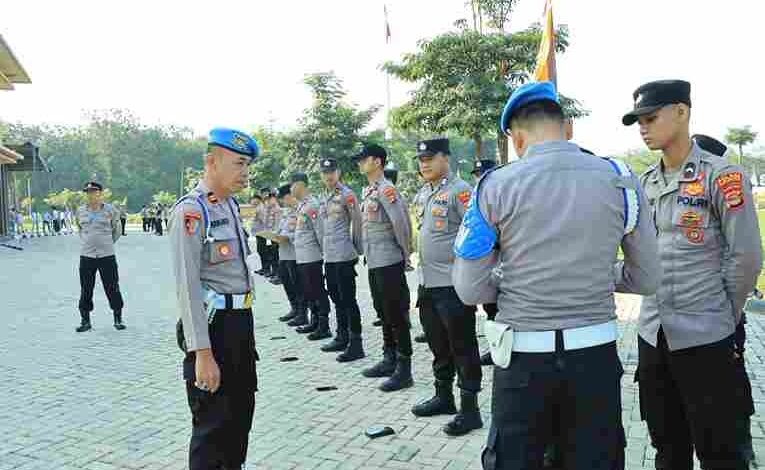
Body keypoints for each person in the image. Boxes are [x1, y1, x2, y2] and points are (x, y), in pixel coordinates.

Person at [454, 81, 659, 469]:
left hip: (523, 361)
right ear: (568, 128)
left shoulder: (493, 186)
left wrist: (516, 278)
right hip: (595, 358)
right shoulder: (620, 179)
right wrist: (595, 274)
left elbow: (469, 288)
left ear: (516, 138)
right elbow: (647, 277)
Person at [623, 80, 762, 470]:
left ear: (682, 112)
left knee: (720, 451)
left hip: (706, 336)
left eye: (651, 118)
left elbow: (746, 257)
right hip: (654, 335)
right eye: (639, 122)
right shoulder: (645, 183)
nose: (643, 128)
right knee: (667, 449)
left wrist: (723, 314)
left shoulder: (721, 176)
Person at [170, 128, 259, 470]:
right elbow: (187, 287)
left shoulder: (230, 206)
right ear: (211, 161)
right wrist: (201, 354)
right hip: (212, 330)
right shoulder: (192, 212)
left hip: (240, 326)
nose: (245, 172)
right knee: (211, 429)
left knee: (240, 420)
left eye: (247, 165)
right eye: (238, 163)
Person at [691, 132, 756, 465]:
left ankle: (740, 442)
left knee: (730, 382)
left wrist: (728, 312)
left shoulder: (725, 187)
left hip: (720, 312)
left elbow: (743, 256)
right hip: (693, 317)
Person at [411, 138, 483, 436]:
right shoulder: (425, 192)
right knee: (437, 343)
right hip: (428, 283)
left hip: (453, 284)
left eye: (430, 158)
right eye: (421, 159)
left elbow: (477, 234)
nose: (424, 163)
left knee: (462, 346)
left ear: (446, 158)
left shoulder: (460, 191)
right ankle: (444, 397)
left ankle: (470, 409)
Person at [353, 144, 414, 392]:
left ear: (377, 161)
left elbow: (401, 224)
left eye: (363, 159)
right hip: (375, 261)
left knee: (397, 315)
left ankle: (404, 369)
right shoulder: (370, 190)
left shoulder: (387, 189)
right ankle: (389, 358)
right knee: (384, 312)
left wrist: (405, 255)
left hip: (389, 260)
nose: (359, 163)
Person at [318, 157, 366, 362]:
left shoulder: (347, 195)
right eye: (325, 173)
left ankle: (356, 343)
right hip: (329, 256)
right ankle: (341, 336)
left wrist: (357, 249)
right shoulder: (324, 196)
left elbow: (357, 223)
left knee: (348, 299)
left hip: (344, 254)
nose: (328, 176)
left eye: (332, 172)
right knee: (336, 297)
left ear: (338, 173)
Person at [75, 181, 126, 332]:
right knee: (86, 288)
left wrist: (107, 243)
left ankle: (118, 318)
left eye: (94, 191)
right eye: (88, 192)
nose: (91, 194)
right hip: (87, 256)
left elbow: (117, 230)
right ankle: (85, 321)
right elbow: (80, 229)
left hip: (106, 255)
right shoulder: (80, 211)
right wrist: (88, 241)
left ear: (100, 193)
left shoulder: (111, 210)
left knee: (112, 287)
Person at [290, 171, 332, 340]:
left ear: (300, 185)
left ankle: (324, 325)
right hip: (302, 256)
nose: (290, 189)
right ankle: (314, 321)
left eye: (292, 185)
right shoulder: (302, 205)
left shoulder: (312, 205)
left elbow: (320, 232)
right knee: (309, 290)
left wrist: (324, 254)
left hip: (312, 256)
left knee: (317, 290)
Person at [470, 158, 500, 367]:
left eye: (483, 174)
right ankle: (495, 346)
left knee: (500, 308)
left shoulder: (502, 196)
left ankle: (502, 347)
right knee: (490, 308)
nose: (479, 178)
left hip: (502, 262)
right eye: (477, 175)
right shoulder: (477, 198)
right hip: (485, 263)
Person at [262, 184, 306, 325]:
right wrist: (275, 235)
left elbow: (303, 232)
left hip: (295, 254)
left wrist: (288, 237)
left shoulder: (300, 210)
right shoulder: (286, 213)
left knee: (297, 285)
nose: (281, 201)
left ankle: (302, 313)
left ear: (290, 196)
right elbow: (281, 229)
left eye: (283, 198)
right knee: (287, 283)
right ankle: (294, 308)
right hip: (283, 254)